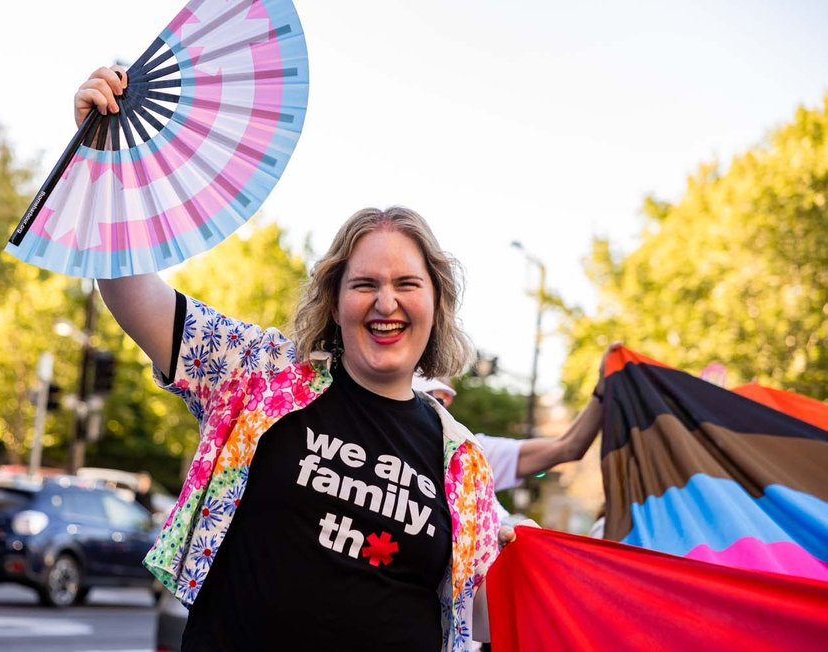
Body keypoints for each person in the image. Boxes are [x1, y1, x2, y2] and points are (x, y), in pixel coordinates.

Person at [78, 62, 514, 652]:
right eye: (364, 284)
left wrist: (518, 557)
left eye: (408, 284)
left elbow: (481, 621)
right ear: (335, 303)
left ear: (436, 305)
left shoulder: (461, 460)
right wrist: (104, 160)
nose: (386, 301)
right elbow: (131, 294)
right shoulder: (260, 375)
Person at [413, 346, 616, 492]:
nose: (431, 406)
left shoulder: (471, 456)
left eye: (435, 398)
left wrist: (602, 389)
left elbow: (568, 447)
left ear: (446, 398)